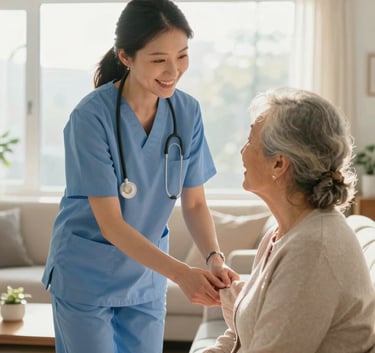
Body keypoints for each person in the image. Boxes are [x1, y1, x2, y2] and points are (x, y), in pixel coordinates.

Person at [41, 1, 238, 353]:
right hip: (87, 275)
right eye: (159, 59)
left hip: (146, 277)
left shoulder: (187, 112)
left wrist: (213, 258)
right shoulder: (91, 118)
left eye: (182, 56)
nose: (173, 70)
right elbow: (111, 224)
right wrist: (181, 274)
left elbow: (194, 203)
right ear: (127, 57)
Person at [202, 88, 375, 353]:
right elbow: (239, 336)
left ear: (279, 165)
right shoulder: (284, 233)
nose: (242, 152)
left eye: (250, 141)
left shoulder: (313, 249)